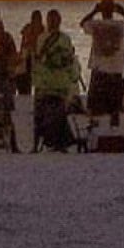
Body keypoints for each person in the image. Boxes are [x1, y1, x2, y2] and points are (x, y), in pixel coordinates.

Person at [79, 0, 124, 122]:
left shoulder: (96, 24)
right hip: (113, 72)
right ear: (113, 10)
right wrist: (123, 13)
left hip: (100, 72)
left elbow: (82, 23)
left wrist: (94, 11)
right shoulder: (120, 25)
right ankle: (113, 134)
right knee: (114, 110)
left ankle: (99, 135)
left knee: (96, 110)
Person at [31, 9, 78, 151]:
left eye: (55, 19)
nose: (52, 22)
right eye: (50, 19)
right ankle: (38, 145)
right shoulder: (41, 38)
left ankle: (59, 143)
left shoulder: (64, 39)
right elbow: (39, 59)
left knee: (58, 115)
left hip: (59, 83)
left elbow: (67, 58)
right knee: (40, 115)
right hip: (44, 82)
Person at [16, 10, 44, 96]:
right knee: (24, 80)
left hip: (37, 58)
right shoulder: (27, 28)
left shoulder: (43, 30)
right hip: (27, 57)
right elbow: (23, 43)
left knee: (38, 83)